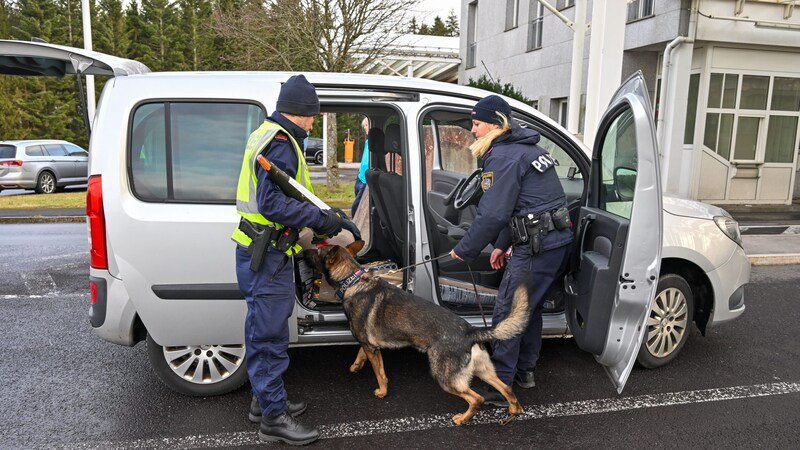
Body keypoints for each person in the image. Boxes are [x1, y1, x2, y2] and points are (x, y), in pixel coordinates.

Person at [231, 74, 344, 445]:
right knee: (269, 335)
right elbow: (272, 203)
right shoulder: (281, 142)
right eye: (311, 116)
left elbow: (289, 192)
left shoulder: (266, 133)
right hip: (268, 255)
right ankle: (274, 420)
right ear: (298, 113)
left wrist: (325, 215)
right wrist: (318, 219)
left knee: (261, 328)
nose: (313, 122)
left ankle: (264, 402)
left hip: (260, 251)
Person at [449, 95, 573, 405]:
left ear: (495, 124)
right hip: (550, 244)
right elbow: (520, 204)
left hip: (537, 247)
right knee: (527, 310)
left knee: (508, 312)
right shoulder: (525, 150)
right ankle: (525, 372)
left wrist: (464, 249)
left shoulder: (503, 157)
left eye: (476, 124)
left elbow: (493, 213)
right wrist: (503, 245)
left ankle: (500, 384)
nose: (473, 131)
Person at [350, 117, 370, 217]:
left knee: (356, 208)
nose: (365, 128)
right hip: (360, 177)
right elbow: (364, 161)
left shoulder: (375, 143)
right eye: (364, 126)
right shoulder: (367, 142)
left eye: (367, 125)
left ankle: (355, 228)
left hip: (366, 179)